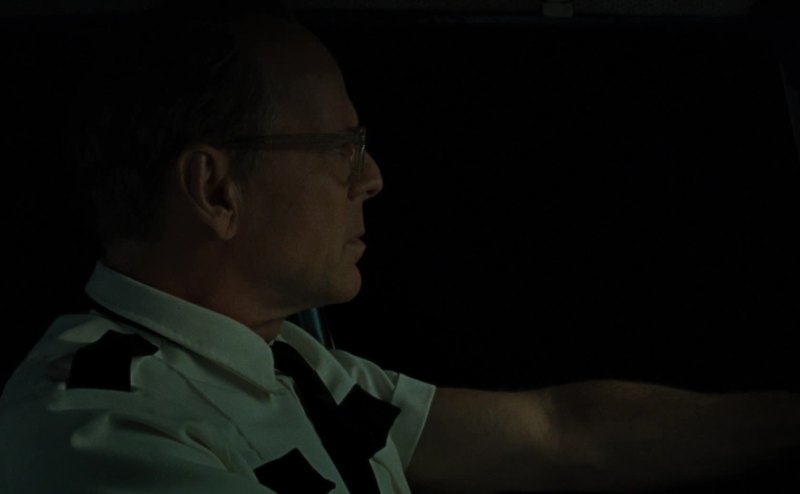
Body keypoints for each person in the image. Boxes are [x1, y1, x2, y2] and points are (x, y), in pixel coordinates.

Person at [1, 2, 799, 493]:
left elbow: (561, 432)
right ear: (216, 190)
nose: (373, 178)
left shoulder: (292, 366)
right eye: (341, 148)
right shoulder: (92, 426)